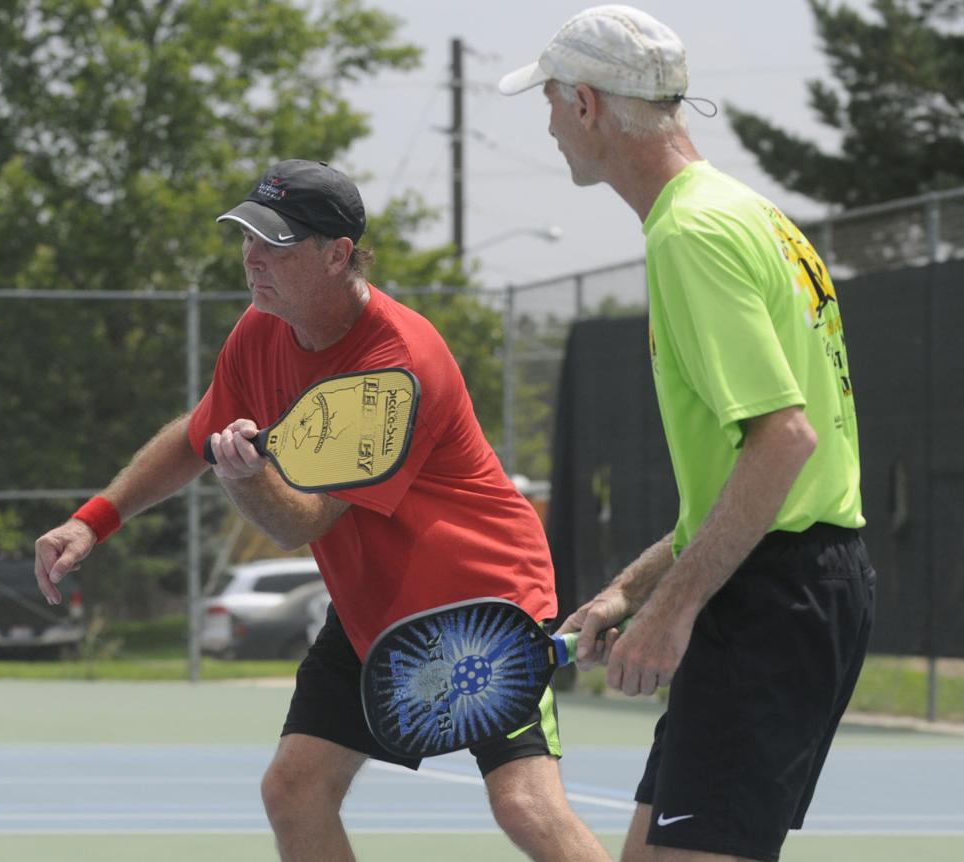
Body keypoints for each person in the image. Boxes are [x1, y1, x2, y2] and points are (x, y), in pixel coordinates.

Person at [33, 159, 611, 861]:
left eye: (275, 243)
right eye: (246, 237)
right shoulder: (259, 331)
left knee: (523, 805)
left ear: (338, 255)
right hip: (372, 611)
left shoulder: (398, 367)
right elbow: (196, 438)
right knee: (295, 791)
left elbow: (301, 520)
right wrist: (92, 520)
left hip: (481, 605)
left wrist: (243, 480)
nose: (251, 257)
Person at [500, 6, 876, 862]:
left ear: (587, 105)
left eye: (552, 102)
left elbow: (785, 442)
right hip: (792, 583)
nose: (550, 123)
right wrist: (630, 592)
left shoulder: (690, 233)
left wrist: (673, 613)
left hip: (774, 597)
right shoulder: (750, 214)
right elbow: (746, 475)